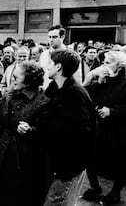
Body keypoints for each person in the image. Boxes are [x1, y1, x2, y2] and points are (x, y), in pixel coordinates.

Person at [0, 61, 52, 206]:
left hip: (25, 159)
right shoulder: (10, 93)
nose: (12, 80)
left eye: (16, 77)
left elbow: (48, 134)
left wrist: (31, 130)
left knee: (19, 197)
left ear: (28, 81)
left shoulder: (43, 102)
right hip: (3, 152)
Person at [40, 50, 96, 206]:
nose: (47, 67)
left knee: (57, 201)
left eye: (50, 63)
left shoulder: (74, 94)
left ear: (58, 67)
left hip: (70, 164)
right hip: (62, 162)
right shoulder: (56, 87)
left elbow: (81, 133)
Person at [82, 51, 126, 205]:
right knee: (90, 157)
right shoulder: (104, 78)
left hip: (118, 129)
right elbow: (86, 94)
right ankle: (95, 187)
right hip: (99, 126)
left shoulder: (124, 81)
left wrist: (112, 111)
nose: (103, 66)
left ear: (118, 66)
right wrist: (95, 80)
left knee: (119, 161)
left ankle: (115, 193)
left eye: (107, 63)